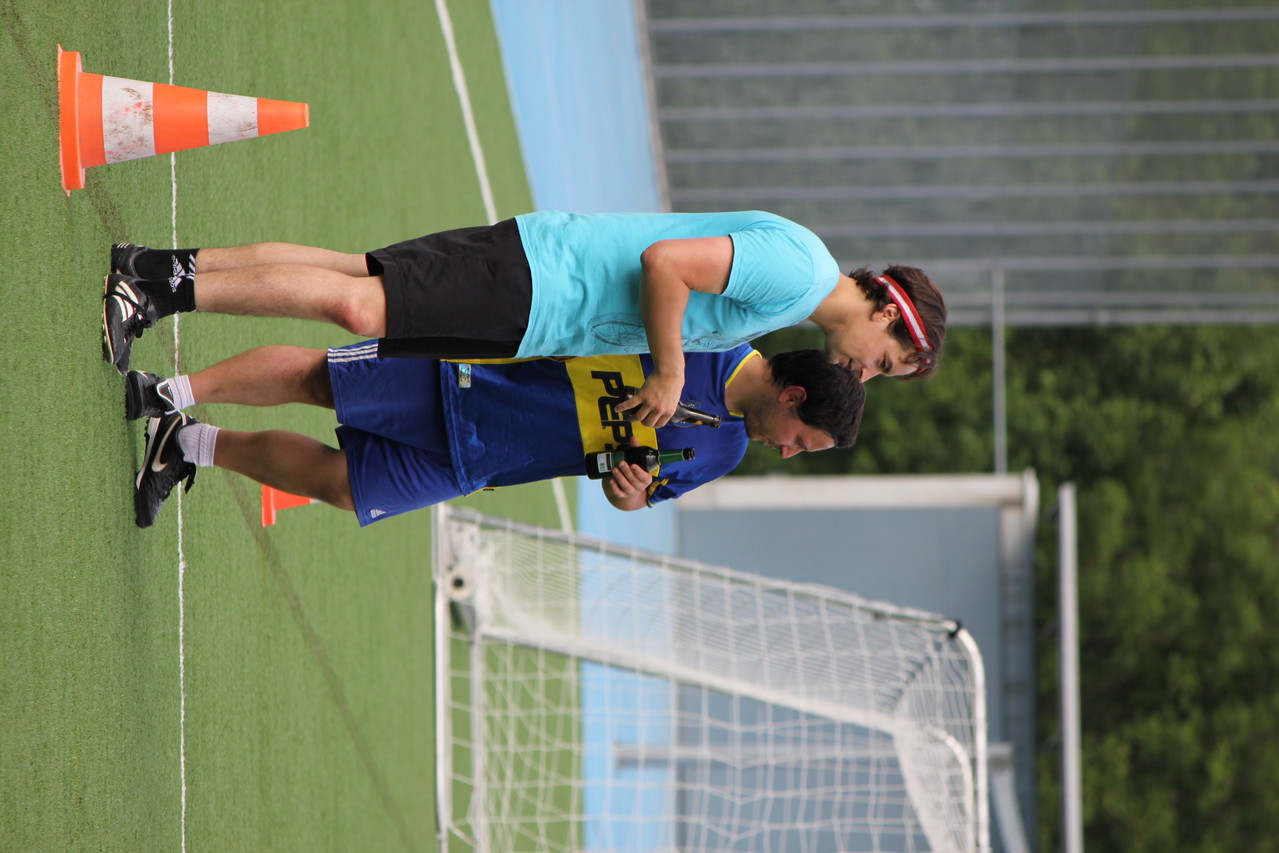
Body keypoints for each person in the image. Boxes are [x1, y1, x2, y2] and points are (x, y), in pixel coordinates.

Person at [102, 210, 944, 427]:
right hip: (544, 279)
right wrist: (669, 372)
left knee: (351, 274)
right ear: (885, 314)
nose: (864, 373)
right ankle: (155, 290)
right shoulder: (800, 271)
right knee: (354, 301)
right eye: (884, 360)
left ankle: (154, 270)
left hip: (540, 312)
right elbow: (667, 264)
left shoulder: (795, 297)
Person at [126, 342, 864, 528]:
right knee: (320, 380)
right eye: (801, 440)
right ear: (792, 396)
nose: (787, 452)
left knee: (341, 486)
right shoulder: (706, 334)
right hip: (470, 375)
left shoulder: (724, 452)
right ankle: (169, 391)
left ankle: (185, 442)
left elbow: (638, 497)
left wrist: (628, 492)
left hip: (490, 458)